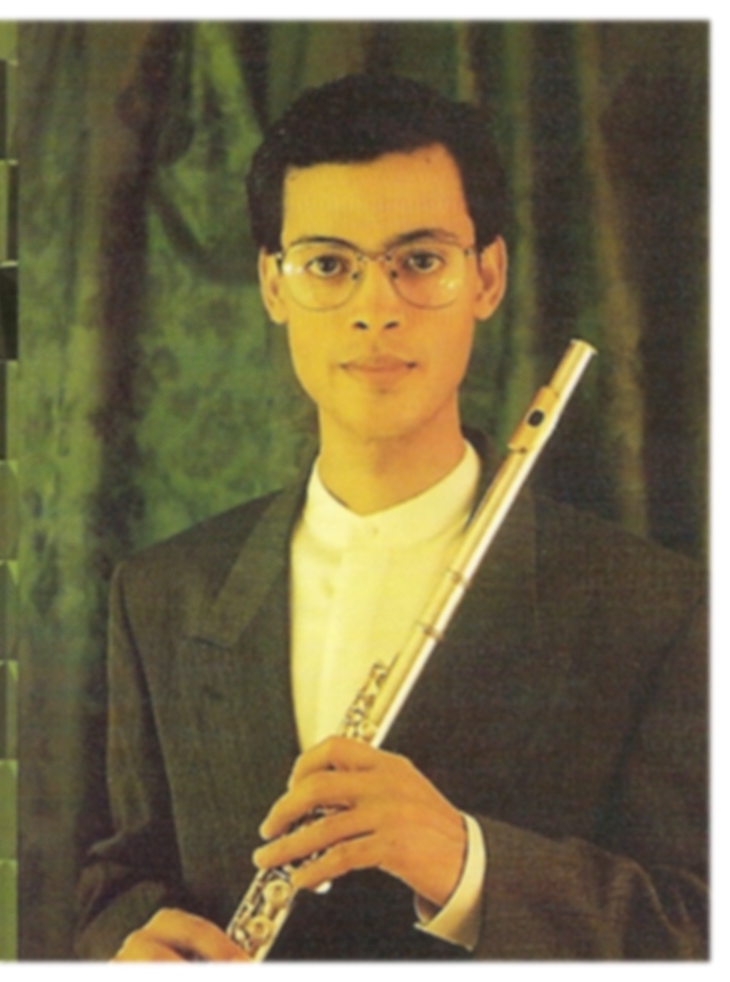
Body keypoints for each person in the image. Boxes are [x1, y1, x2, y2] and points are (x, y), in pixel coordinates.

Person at [72, 74, 707, 960]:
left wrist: (465, 864)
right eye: (329, 265)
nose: (376, 310)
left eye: (420, 261)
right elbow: (118, 880)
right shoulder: (161, 594)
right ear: (273, 285)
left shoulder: (655, 605)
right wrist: (125, 950)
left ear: (487, 276)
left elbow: (697, 930)